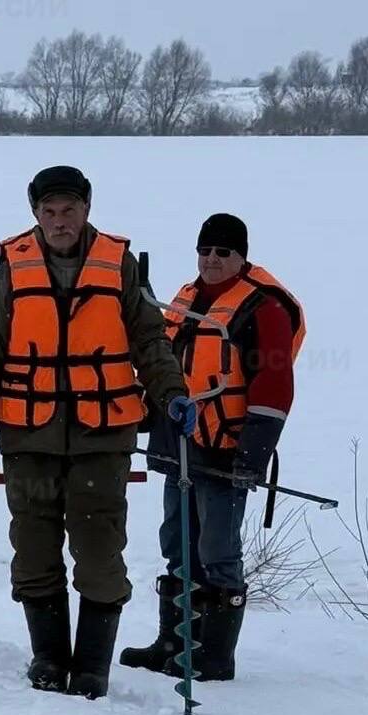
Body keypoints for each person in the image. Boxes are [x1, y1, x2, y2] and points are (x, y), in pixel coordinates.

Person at [0, 165, 192, 699]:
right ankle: (48, 658)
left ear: (87, 209)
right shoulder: (10, 271)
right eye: (49, 212)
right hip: (28, 436)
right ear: (35, 214)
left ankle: (91, 667)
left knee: (99, 551)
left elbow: (150, 341)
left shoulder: (119, 266)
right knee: (33, 550)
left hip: (101, 437)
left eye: (69, 210)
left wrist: (172, 393)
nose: (59, 221)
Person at [121, 213, 304, 681]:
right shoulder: (186, 300)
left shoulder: (263, 308)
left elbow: (274, 384)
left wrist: (252, 455)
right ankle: (175, 642)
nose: (212, 260)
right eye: (205, 251)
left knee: (217, 550)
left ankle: (215, 656)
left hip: (227, 451)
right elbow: (161, 361)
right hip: (179, 446)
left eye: (223, 252)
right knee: (177, 544)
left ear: (242, 257)